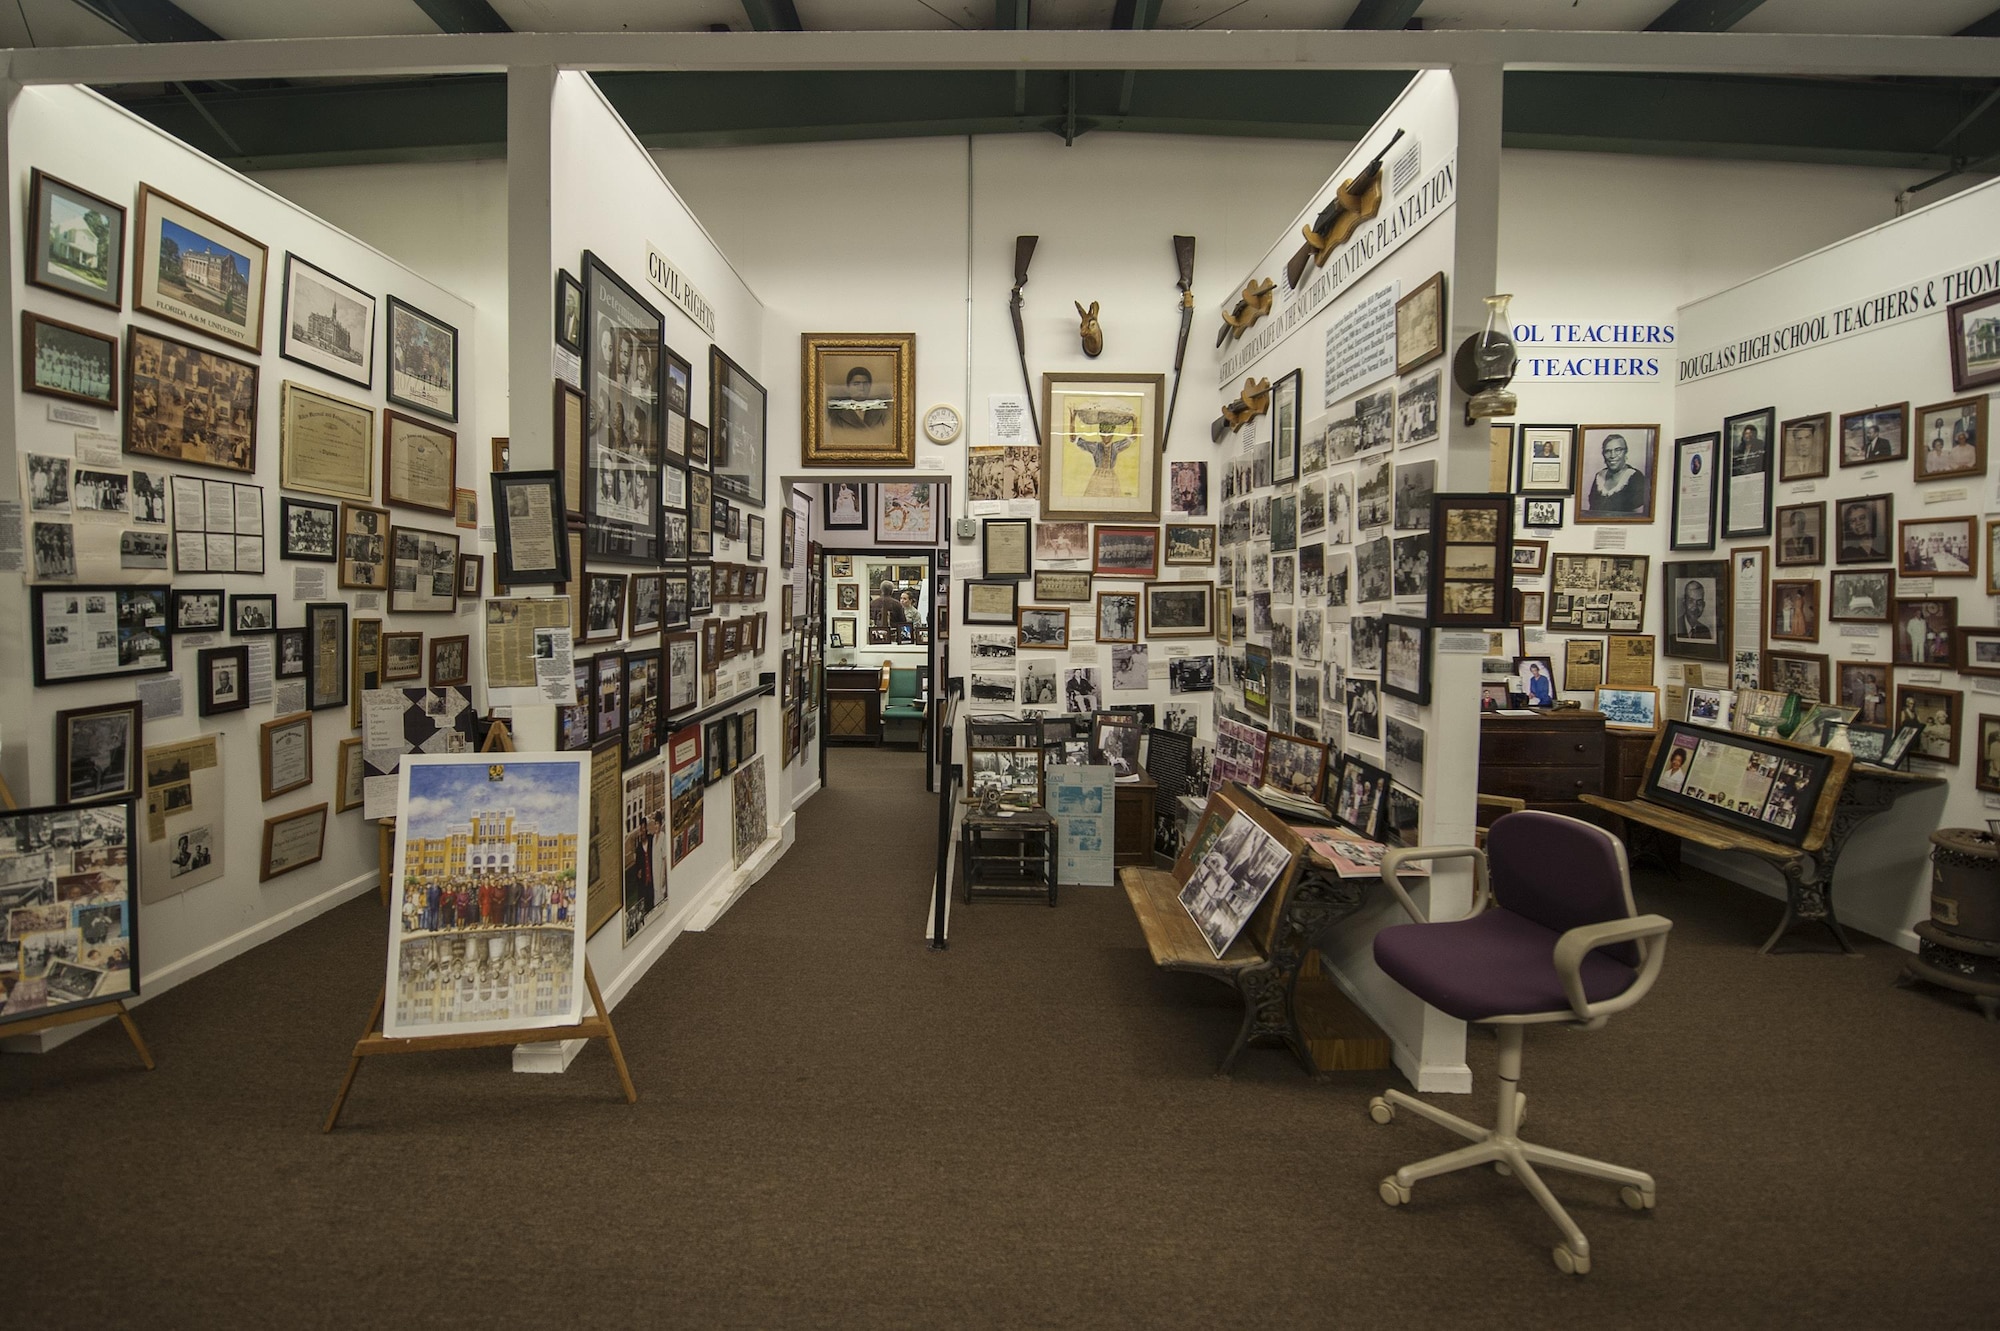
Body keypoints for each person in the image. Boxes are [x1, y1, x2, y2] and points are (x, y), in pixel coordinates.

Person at [1585, 433, 1647, 515]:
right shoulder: (1599, 476)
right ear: (1603, 454)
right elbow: (1591, 512)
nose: (1613, 455)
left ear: (1625, 452)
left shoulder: (1635, 477)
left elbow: (1640, 516)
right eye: (1608, 451)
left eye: (1618, 450)